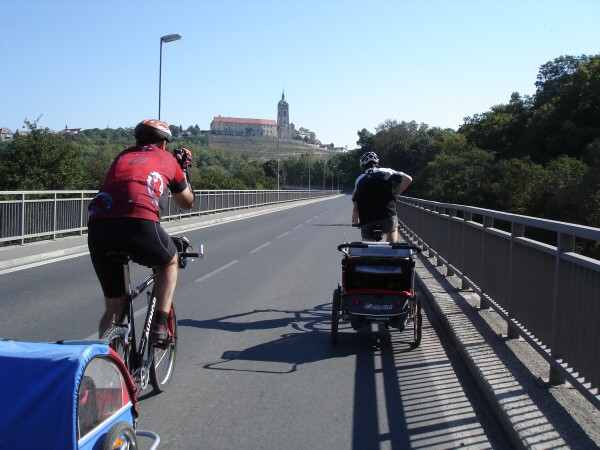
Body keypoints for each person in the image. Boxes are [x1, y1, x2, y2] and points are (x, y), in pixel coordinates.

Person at [87, 119, 195, 345]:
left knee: (114, 307)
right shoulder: (168, 160)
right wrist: (183, 169)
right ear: (164, 144)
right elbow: (186, 202)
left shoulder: (122, 156)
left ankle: (104, 363)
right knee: (170, 261)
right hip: (140, 223)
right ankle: (160, 325)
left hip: (99, 228)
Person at [352, 151, 412, 242]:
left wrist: (357, 223)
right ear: (377, 163)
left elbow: (355, 207)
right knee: (393, 229)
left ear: (362, 166)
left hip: (367, 219)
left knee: (367, 244)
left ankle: (369, 254)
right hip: (387, 216)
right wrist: (394, 194)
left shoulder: (359, 179)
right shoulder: (387, 171)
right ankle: (391, 252)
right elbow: (408, 179)